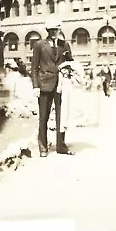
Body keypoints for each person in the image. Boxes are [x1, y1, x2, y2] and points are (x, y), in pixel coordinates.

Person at [31, 17, 75, 157]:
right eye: (52, 30)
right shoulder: (39, 45)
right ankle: (43, 147)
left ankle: (61, 146)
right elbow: (34, 68)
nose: (55, 32)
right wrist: (36, 86)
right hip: (45, 85)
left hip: (61, 85)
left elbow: (71, 63)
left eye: (57, 29)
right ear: (48, 31)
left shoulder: (64, 45)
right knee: (43, 117)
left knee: (61, 117)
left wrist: (68, 68)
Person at [56, 51, 85, 133]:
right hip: (73, 86)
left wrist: (59, 88)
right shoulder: (77, 65)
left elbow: (60, 79)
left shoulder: (62, 66)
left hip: (66, 84)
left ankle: (66, 123)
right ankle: (72, 122)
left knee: (66, 104)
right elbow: (81, 77)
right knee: (72, 103)